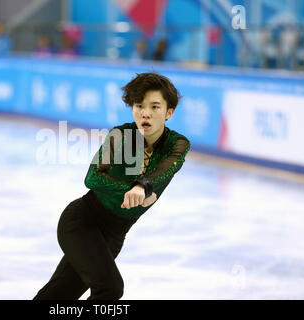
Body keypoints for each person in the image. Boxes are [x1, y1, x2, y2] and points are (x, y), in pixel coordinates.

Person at [33, 72, 190, 300]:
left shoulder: (177, 144)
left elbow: (165, 169)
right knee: (110, 289)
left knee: (58, 295)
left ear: (169, 112)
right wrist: (132, 189)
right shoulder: (121, 135)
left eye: (155, 107)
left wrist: (143, 186)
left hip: (114, 235)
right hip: (81, 221)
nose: (145, 113)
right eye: (139, 106)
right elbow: (93, 177)